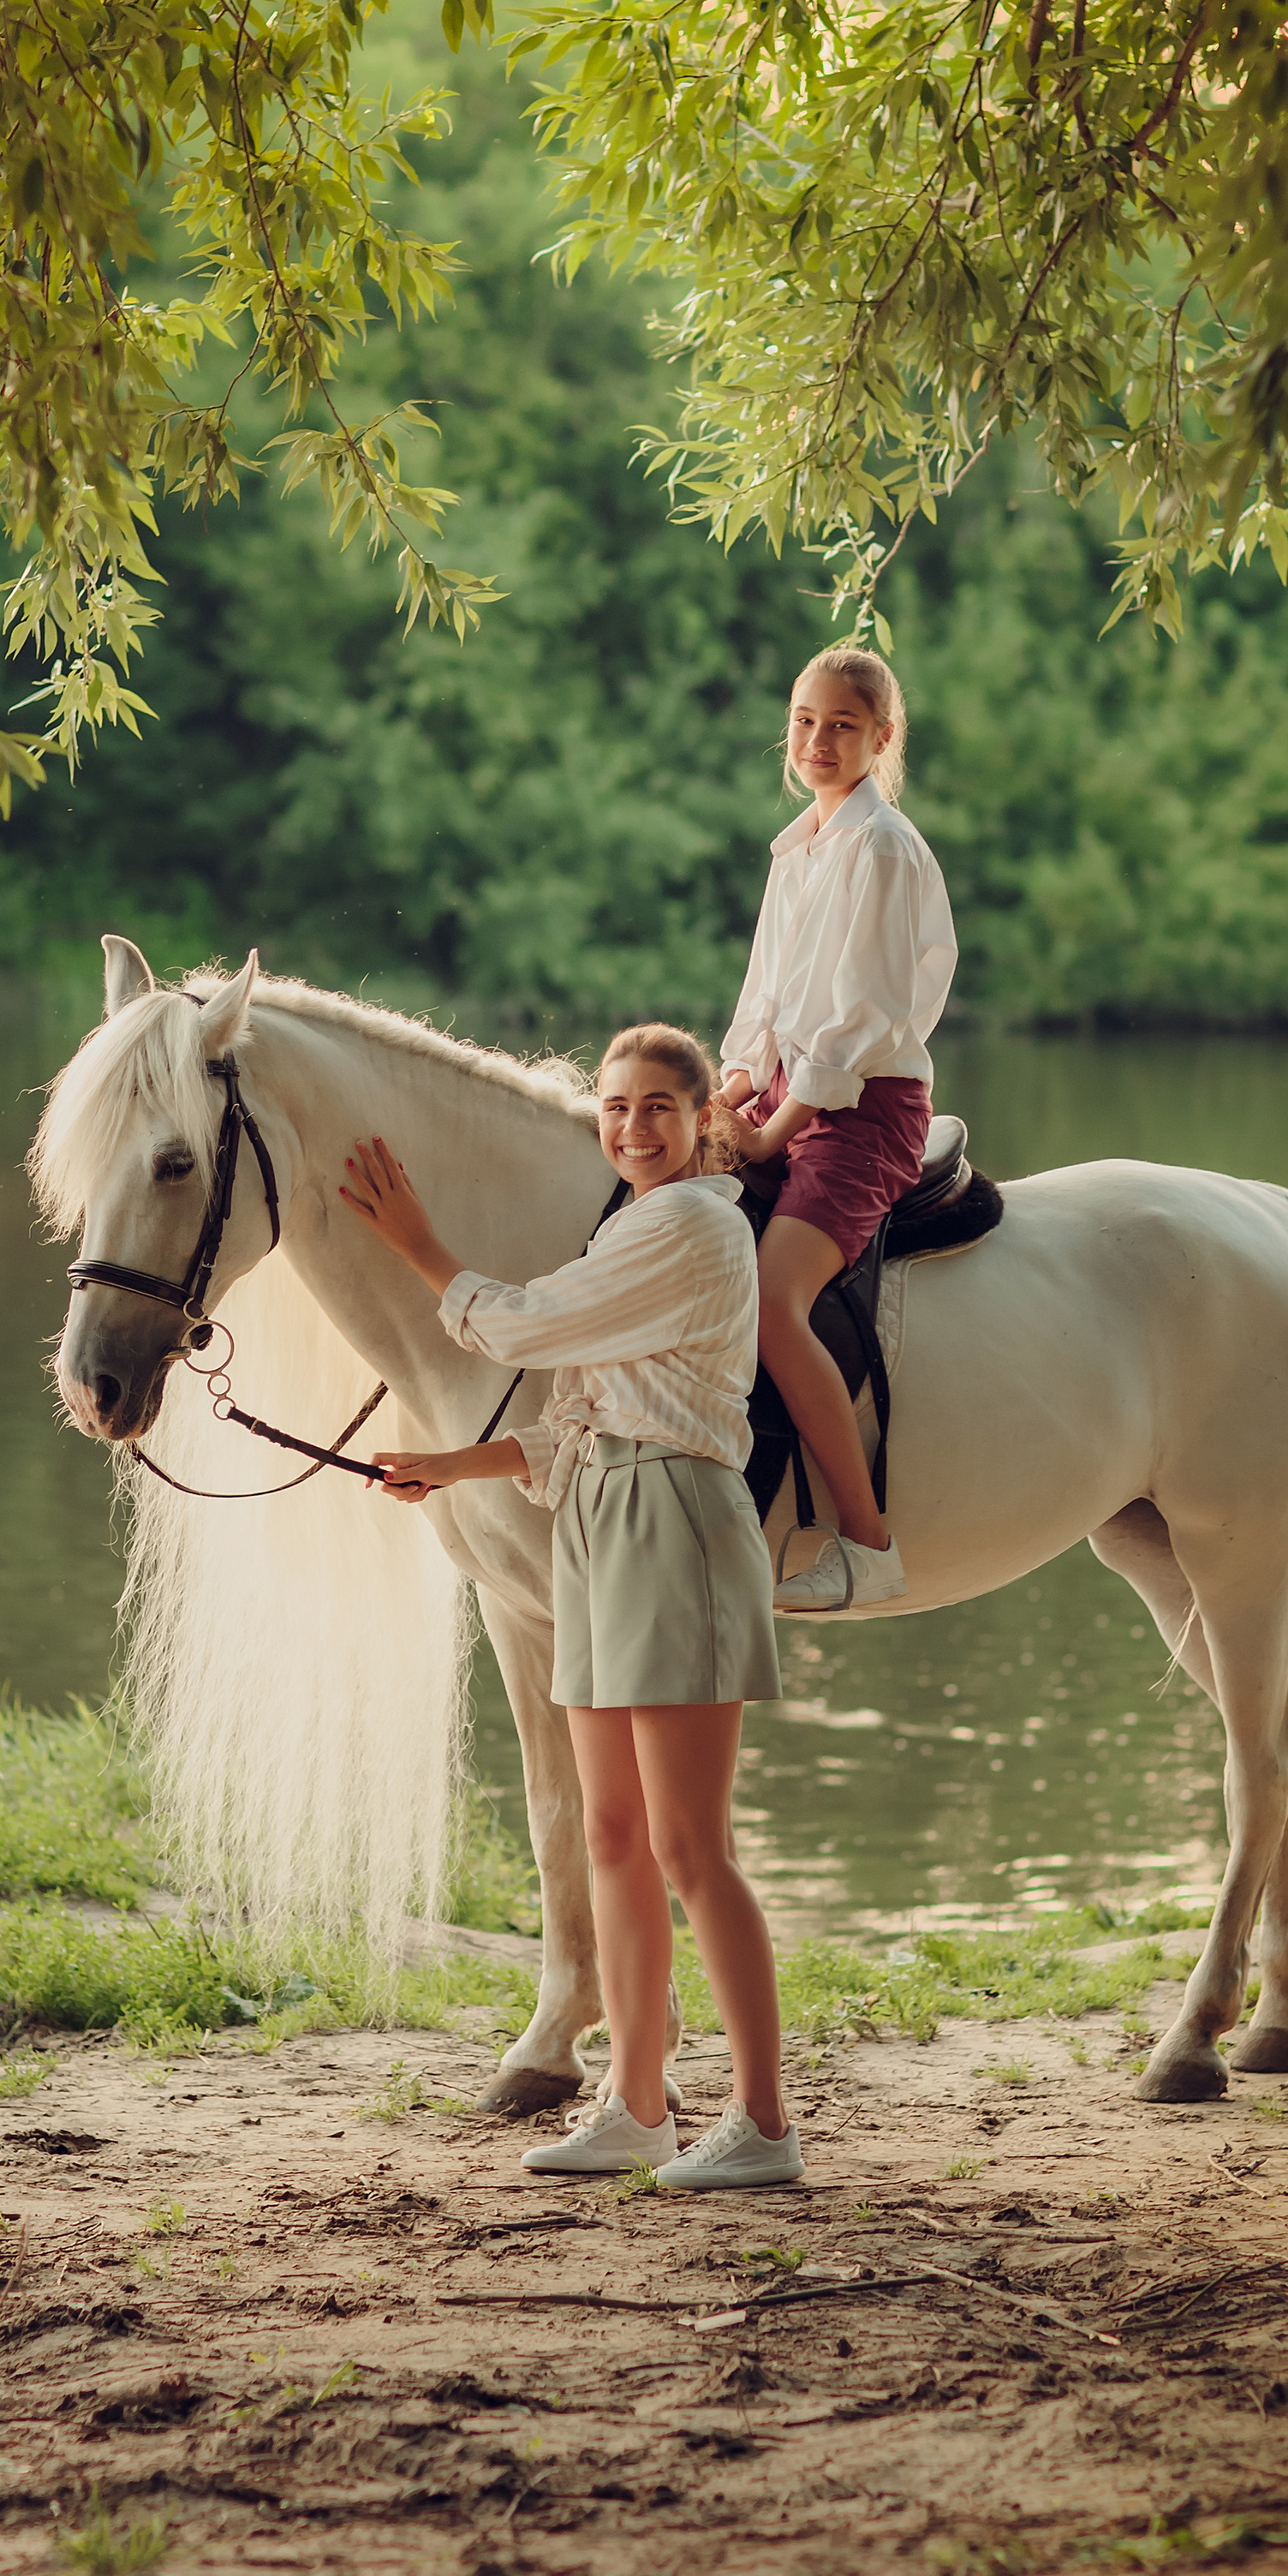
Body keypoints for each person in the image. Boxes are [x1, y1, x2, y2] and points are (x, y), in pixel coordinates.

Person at [337, 1025, 800, 2192]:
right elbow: (578, 1422)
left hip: (675, 1528)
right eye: (614, 1107)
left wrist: (422, 1248)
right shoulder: (629, 1226)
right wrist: (452, 1466)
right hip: (598, 1522)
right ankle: (636, 2108)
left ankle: (764, 2121)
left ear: (703, 1123)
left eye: (657, 1107)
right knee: (613, 1839)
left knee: (694, 1848)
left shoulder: (697, 1222)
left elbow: (527, 1328)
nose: (632, 1127)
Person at [720, 648, 957, 1613]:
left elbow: (858, 1019)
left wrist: (774, 1133)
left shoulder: (883, 848)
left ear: (881, 738)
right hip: (786, 1094)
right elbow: (765, 1001)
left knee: (774, 1298)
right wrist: (733, 1085)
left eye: (843, 726)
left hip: (861, 1111)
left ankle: (868, 1543)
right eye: (805, 720)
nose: (818, 741)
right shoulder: (797, 849)